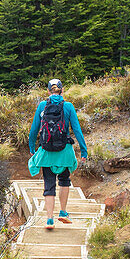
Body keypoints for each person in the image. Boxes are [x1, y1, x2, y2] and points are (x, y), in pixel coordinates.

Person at [28, 78, 88, 229]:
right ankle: (63, 212)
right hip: (65, 152)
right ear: (62, 90)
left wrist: (32, 148)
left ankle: (49, 219)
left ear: (48, 91)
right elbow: (77, 130)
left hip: (47, 152)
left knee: (49, 185)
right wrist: (83, 150)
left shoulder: (42, 105)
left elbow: (34, 129)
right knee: (64, 181)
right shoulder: (68, 106)